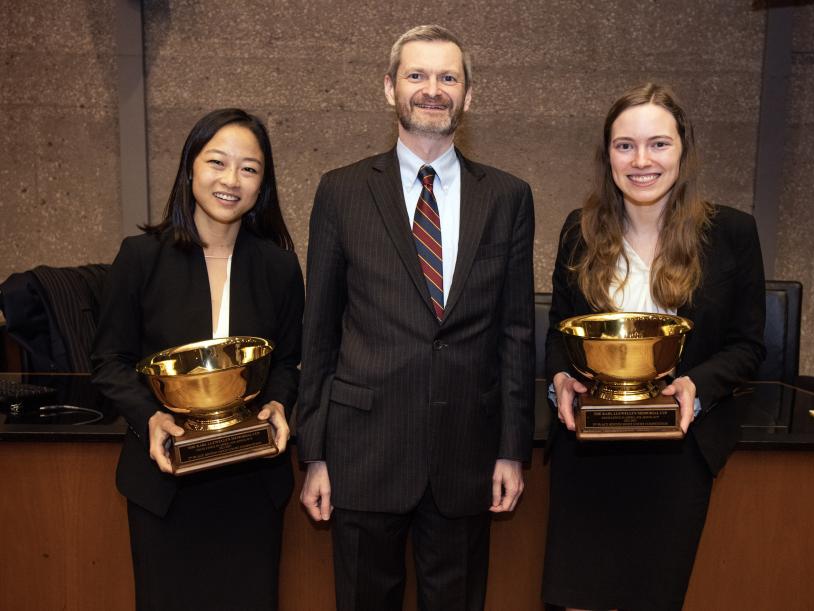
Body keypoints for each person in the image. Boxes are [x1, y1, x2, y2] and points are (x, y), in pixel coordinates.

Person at [296, 24, 535, 611]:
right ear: (389, 88)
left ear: (468, 95)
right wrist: (315, 454)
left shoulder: (507, 197)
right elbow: (319, 331)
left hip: (466, 453)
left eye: (448, 77)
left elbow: (516, 332)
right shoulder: (341, 191)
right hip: (362, 452)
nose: (433, 89)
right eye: (417, 75)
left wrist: (511, 449)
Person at [541, 83, 766, 611]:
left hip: (677, 452)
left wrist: (696, 384)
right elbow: (558, 330)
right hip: (588, 452)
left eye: (658, 144)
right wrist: (559, 379)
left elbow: (748, 345)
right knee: (577, 599)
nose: (641, 160)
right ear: (608, 156)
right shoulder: (580, 230)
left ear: (683, 150)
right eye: (625, 146)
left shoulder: (732, 232)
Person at [91, 108, 304, 611]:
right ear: (190, 169)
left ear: (262, 185)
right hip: (166, 488)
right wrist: (151, 418)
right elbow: (109, 360)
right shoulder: (140, 257)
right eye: (217, 162)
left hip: (251, 489)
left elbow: (292, 360)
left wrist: (277, 405)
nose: (231, 180)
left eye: (249, 169)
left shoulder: (279, 266)